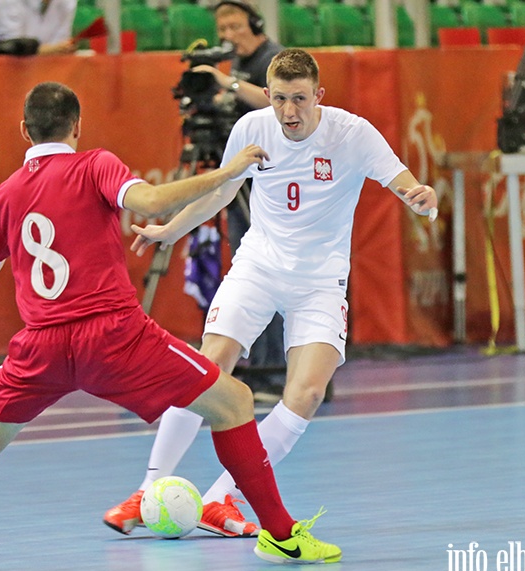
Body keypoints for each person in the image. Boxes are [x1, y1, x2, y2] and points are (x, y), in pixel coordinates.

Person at [0, 81, 341, 571]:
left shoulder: (7, 193)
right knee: (235, 402)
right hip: (114, 337)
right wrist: (226, 173)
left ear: (24, 131)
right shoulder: (94, 163)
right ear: (76, 126)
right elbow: (153, 202)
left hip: (42, 346)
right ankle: (283, 537)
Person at [105, 48, 439, 538]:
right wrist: (171, 230)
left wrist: (421, 195)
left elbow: (405, 183)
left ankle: (221, 496)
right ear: (267, 95)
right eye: (280, 98)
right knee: (207, 365)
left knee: (306, 393)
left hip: (320, 281)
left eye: (300, 99)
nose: (289, 111)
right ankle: (145, 488)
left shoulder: (352, 133)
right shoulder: (251, 129)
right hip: (258, 266)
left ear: (318, 96)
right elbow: (221, 193)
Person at [188, 0, 288, 401]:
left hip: (272, 184)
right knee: (246, 270)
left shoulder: (273, 58)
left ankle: (273, 371)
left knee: (269, 271)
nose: (227, 35)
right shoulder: (237, 65)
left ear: (255, 22)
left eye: (234, 26)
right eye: (221, 29)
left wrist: (224, 82)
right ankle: (252, 366)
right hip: (245, 175)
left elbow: (277, 102)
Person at [0, 0, 77, 55]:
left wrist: (61, 48)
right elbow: (12, 47)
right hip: (2, 68)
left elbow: (60, 43)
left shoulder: (67, 2)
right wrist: (47, 50)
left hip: (45, 69)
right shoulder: (9, 2)